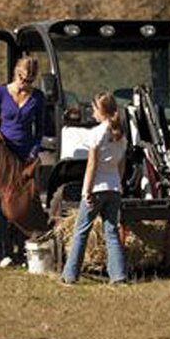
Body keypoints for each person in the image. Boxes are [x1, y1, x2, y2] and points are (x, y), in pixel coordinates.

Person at [0, 55, 46, 266]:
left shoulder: (38, 98)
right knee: (1, 202)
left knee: (24, 203)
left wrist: (34, 152)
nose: (24, 84)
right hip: (2, 155)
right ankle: (3, 252)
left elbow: (41, 130)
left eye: (29, 80)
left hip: (25, 157)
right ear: (16, 72)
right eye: (22, 78)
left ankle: (24, 251)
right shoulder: (1, 92)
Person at [61, 92, 128, 285]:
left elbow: (91, 166)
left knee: (81, 231)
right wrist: (118, 184)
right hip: (114, 189)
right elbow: (121, 166)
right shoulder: (121, 136)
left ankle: (70, 275)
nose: (92, 112)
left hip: (96, 188)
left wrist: (86, 192)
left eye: (94, 108)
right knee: (112, 232)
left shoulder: (95, 134)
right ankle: (118, 275)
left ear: (102, 111)